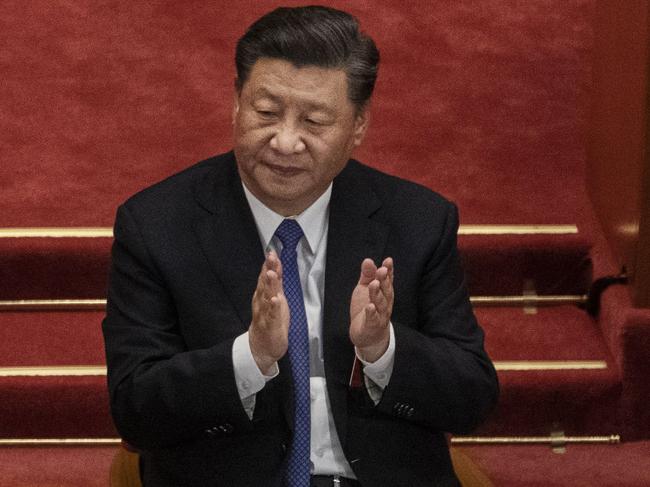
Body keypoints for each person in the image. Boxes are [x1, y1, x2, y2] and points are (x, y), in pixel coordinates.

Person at [102, 6, 498, 487]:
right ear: (236, 102)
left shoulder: (417, 221)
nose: (285, 142)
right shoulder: (157, 225)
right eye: (266, 113)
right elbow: (135, 409)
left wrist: (383, 350)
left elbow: (473, 399)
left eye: (314, 121)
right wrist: (249, 357)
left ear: (358, 126)